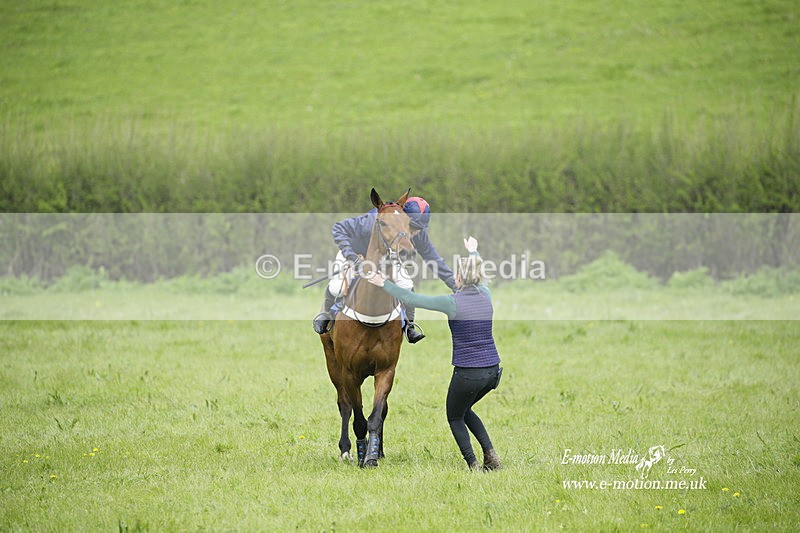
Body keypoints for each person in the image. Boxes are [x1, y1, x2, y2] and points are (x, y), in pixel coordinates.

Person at [366, 236, 503, 471]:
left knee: (455, 416)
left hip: (468, 373)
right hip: (492, 371)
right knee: (465, 409)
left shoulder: (452, 302)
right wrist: (473, 251)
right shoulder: (485, 294)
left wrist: (383, 283)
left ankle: (473, 465)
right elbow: (475, 270)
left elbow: (411, 298)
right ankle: (491, 456)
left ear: (459, 278)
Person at [313, 196, 457, 342]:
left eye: (420, 229)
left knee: (407, 285)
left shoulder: (418, 234)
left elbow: (434, 259)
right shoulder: (370, 222)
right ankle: (326, 314)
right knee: (336, 287)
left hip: (386, 258)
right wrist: (351, 256)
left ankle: (409, 326)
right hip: (355, 253)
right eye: (413, 227)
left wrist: (456, 286)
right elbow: (338, 228)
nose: (415, 233)